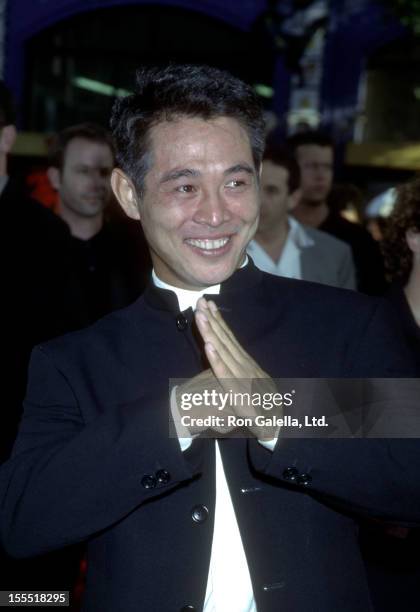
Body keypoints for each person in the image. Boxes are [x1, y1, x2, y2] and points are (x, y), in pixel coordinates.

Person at [0, 64, 419, 612]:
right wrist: (178, 412)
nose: (217, 212)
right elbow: (26, 521)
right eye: (185, 185)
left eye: (236, 181)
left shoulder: (342, 326)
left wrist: (278, 415)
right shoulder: (77, 362)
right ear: (128, 194)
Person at [47, 123, 151, 325]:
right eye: (83, 171)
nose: (96, 182)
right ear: (55, 177)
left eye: (104, 171)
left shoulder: (138, 249)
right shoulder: (28, 253)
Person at [286, 130, 387, 295]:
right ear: (290, 171)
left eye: (327, 167)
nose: (321, 175)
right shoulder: (273, 232)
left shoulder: (358, 241)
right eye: (311, 166)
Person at [247, 146, 356, 289]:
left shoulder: (335, 254)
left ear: (294, 198)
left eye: (271, 191)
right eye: (252, 187)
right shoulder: (222, 246)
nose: (258, 199)